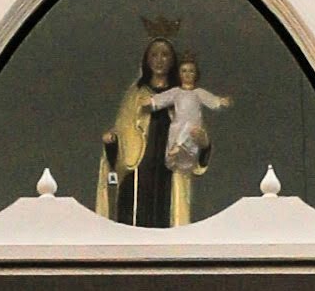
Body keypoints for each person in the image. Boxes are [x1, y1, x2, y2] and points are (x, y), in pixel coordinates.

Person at [95, 22, 181, 229]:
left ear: (172, 60)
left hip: (168, 166)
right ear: (146, 60)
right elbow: (124, 131)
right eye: (154, 55)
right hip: (139, 166)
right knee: (137, 211)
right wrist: (113, 143)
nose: (159, 60)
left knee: (165, 210)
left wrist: (201, 142)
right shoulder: (136, 94)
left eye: (165, 55)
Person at [157, 55, 230, 227]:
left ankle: (181, 147)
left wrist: (220, 101)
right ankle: (177, 149)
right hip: (176, 129)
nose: (187, 74)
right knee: (180, 132)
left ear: (196, 74)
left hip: (192, 133)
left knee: (192, 130)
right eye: (184, 71)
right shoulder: (176, 93)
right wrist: (152, 101)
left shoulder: (198, 93)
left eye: (191, 71)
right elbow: (163, 98)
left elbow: (210, 100)